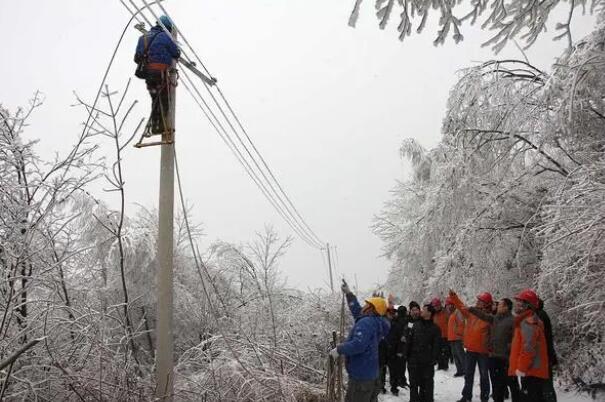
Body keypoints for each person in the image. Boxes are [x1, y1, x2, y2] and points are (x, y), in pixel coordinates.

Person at [330, 280, 390, 402]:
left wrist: (339, 349)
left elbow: (358, 345)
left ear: (371, 308)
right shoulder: (375, 321)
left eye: (367, 304)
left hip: (361, 378)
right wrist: (349, 294)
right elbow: (357, 310)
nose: (364, 305)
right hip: (370, 375)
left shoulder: (366, 323)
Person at [467, 297, 520, 402]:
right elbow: (484, 316)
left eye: (500, 305)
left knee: (512, 384)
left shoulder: (513, 321)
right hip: (494, 357)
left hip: (506, 358)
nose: (497, 306)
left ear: (506, 307)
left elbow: (516, 339)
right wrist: (472, 309)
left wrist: (509, 348)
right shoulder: (496, 318)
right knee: (496, 386)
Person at [134, 16, 180, 135]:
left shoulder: (143, 37)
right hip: (160, 72)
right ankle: (160, 127)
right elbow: (176, 52)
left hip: (148, 74)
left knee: (155, 98)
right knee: (164, 99)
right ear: (167, 27)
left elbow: (137, 57)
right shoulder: (165, 37)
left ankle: (155, 126)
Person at [449, 290, 493, 402]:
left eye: (480, 300)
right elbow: (461, 306)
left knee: (484, 376)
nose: (477, 302)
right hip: (470, 350)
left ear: (486, 303)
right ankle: (466, 396)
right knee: (468, 375)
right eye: (478, 300)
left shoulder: (489, 317)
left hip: (483, 351)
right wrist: (454, 297)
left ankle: (484, 398)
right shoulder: (471, 312)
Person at [510, 289, 550, 402]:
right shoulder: (527, 320)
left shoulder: (528, 322)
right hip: (532, 370)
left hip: (532, 371)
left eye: (519, 303)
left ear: (527, 306)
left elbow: (528, 348)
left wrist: (521, 368)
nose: (516, 305)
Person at [406, 303, 441, 402]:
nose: (421, 311)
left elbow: (436, 346)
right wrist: (406, 355)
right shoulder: (415, 324)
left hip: (427, 362)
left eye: (424, 309)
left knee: (427, 385)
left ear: (429, 313)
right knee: (413, 384)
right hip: (413, 360)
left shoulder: (435, 328)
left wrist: (433, 359)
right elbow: (409, 341)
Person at [537, 299, 558, 402]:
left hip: (543, 355)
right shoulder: (540, 314)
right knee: (545, 384)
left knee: (546, 384)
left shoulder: (540, 316)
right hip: (545, 354)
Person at [386, 305, 409, 395]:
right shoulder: (399, 321)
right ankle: (396, 384)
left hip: (394, 347)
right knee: (397, 367)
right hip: (397, 347)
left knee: (394, 368)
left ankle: (395, 385)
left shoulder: (394, 322)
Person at [446, 296, 466, 377]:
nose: (449, 306)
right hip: (452, 338)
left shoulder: (458, 312)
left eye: (451, 304)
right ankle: (459, 370)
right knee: (455, 355)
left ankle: (465, 370)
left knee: (460, 355)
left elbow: (461, 324)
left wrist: (458, 333)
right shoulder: (451, 314)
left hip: (457, 338)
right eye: (448, 305)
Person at [431, 297, 450, 371]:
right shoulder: (434, 314)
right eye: (434, 306)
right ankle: (440, 364)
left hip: (445, 335)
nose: (436, 307)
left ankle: (445, 365)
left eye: (437, 306)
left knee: (445, 351)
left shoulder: (445, 312)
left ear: (439, 305)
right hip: (437, 336)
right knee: (438, 351)